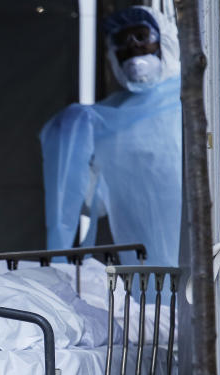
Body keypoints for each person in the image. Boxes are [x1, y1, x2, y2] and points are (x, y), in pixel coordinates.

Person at [40, 4, 181, 268]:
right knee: (153, 307)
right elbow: (93, 203)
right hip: (141, 259)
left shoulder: (193, 102)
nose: (134, 47)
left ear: (164, 39)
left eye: (142, 36)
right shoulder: (104, 120)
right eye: (122, 41)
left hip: (197, 246)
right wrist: (71, 149)